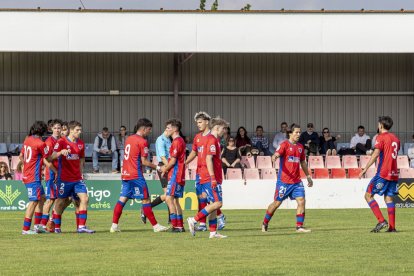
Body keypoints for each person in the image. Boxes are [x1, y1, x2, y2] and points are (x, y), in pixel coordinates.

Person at [110, 118, 168, 233]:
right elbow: (144, 161)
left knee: (122, 198)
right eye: (149, 129)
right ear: (144, 128)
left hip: (125, 174)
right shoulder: (142, 141)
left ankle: (114, 226)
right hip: (136, 175)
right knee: (146, 200)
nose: (149, 132)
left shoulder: (129, 139)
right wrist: (157, 167)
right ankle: (156, 226)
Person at [262, 123, 313, 233]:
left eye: (299, 132)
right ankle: (265, 222)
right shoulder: (284, 145)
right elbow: (276, 153)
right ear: (290, 133)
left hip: (296, 181)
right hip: (284, 182)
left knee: (301, 201)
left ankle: (299, 227)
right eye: (296, 132)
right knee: (276, 203)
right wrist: (274, 157)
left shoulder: (300, 147)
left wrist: (308, 176)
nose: (298, 134)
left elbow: (303, 162)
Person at [187, 117, 229, 239]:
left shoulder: (212, 139)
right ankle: (194, 219)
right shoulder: (212, 140)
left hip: (207, 175)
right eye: (223, 128)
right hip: (210, 176)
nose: (224, 131)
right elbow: (208, 159)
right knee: (218, 203)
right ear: (216, 127)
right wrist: (213, 177)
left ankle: (213, 232)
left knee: (213, 204)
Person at [50, 120, 95, 234]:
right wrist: (60, 152)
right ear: (71, 130)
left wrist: (81, 173)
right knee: (60, 202)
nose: (79, 132)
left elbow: (81, 159)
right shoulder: (61, 142)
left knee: (84, 199)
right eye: (77, 130)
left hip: (77, 179)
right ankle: (57, 227)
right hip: (64, 178)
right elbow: (51, 157)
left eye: (80, 130)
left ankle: (81, 227)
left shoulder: (81, 143)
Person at [359, 116, 400, 233]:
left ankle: (381, 220)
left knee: (368, 196)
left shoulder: (380, 137)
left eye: (378, 124)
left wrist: (365, 169)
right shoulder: (396, 139)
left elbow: (376, 154)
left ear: (381, 125)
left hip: (383, 173)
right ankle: (392, 227)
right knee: (389, 198)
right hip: (393, 174)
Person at [20, 121, 49, 234]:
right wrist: (59, 153)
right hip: (33, 177)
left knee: (41, 198)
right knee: (33, 201)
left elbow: (21, 156)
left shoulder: (27, 139)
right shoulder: (40, 143)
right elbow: (48, 158)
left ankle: (37, 226)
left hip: (29, 174)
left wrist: (27, 167)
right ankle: (25, 229)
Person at [141, 126, 171, 224]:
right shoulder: (160, 139)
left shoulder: (168, 139)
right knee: (168, 194)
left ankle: (146, 209)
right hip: (164, 166)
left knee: (170, 195)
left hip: (168, 166)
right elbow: (162, 157)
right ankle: (171, 219)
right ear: (167, 129)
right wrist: (168, 167)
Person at [161, 119, 187, 232]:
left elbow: (172, 161)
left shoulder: (177, 141)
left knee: (169, 198)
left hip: (175, 175)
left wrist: (164, 170)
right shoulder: (179, 140)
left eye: (168, 128)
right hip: (179, 175)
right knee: (175, 201)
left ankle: (175, 226)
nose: (166, 130)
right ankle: (180, 226)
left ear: (175, 129)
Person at [40, 119, 61, 229]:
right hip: (52, 175)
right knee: (50, 199)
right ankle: (42, 225)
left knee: (59, 199)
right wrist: (55, 171)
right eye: (55, 128)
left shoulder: (62, 141)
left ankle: (52, 222)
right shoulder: (49, 141)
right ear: (51, 129)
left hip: (60, 174)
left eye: (59, 128)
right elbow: (45, 160)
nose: (57, 130)